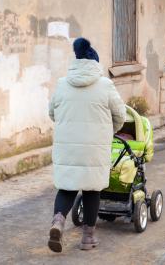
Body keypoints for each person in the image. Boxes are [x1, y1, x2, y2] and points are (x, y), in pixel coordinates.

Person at [47, 37, 126, 252]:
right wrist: (109, 130)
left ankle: (58, 222)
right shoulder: (105, 85)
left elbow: (52, 112)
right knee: (92, 191)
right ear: (95, 63)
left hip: (67, 148)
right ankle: (88, 239)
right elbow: (120, 115)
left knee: (66, 188)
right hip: (95, 149)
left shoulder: (62, 84)